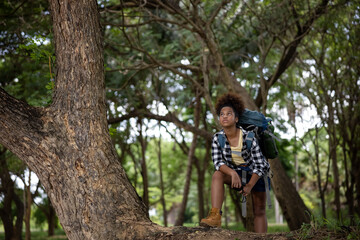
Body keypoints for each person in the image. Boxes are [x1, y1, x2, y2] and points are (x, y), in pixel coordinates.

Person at [200, 93, 270, 233]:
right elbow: (218, 162)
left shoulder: (249, 137)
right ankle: (215, 216)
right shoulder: (217, 138)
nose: (224, 116)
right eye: (222, 114)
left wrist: (250, 185)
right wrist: (232, 173)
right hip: (236, 174)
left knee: (260, 210)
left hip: (256, 174)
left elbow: (260, 165)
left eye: (229, 114)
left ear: (236, 118)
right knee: (217, 175)